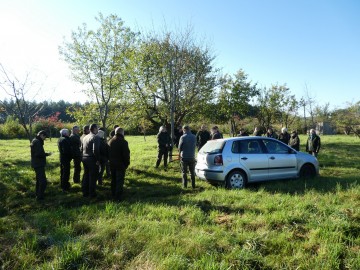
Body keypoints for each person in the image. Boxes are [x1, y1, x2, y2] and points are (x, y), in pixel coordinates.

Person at [108, 127, 130, 201]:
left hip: (111, 164)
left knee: (113, 180)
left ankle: (113, 194)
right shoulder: (123, 142)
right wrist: (126, 164)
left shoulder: (110, 141)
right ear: (122, 133)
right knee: (119, 181)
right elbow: (126, 155)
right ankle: (118, 197)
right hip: (120, 164)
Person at [31, 130, 51, 200]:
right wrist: (46, 154)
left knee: (39, 181)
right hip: (38, 164)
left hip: (36, 163)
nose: (45, 138)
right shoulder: (37, 142)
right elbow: (38, 154)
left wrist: (45, 154)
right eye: (44, 137)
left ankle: (38, 194)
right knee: (43, 182)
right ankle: (40, 197)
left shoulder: (35, 140)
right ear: (41, 135)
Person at [81, 124, 101, 198]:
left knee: (86, 175)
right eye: (97, 128)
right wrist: (98, 160)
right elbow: (95, 149)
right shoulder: (95, 137)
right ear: (95, 129)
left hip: (84, 157)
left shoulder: (85, 137)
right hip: (92, 158)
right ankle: (92, 194)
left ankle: (84, 192)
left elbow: (81, 148)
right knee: (93, 177)